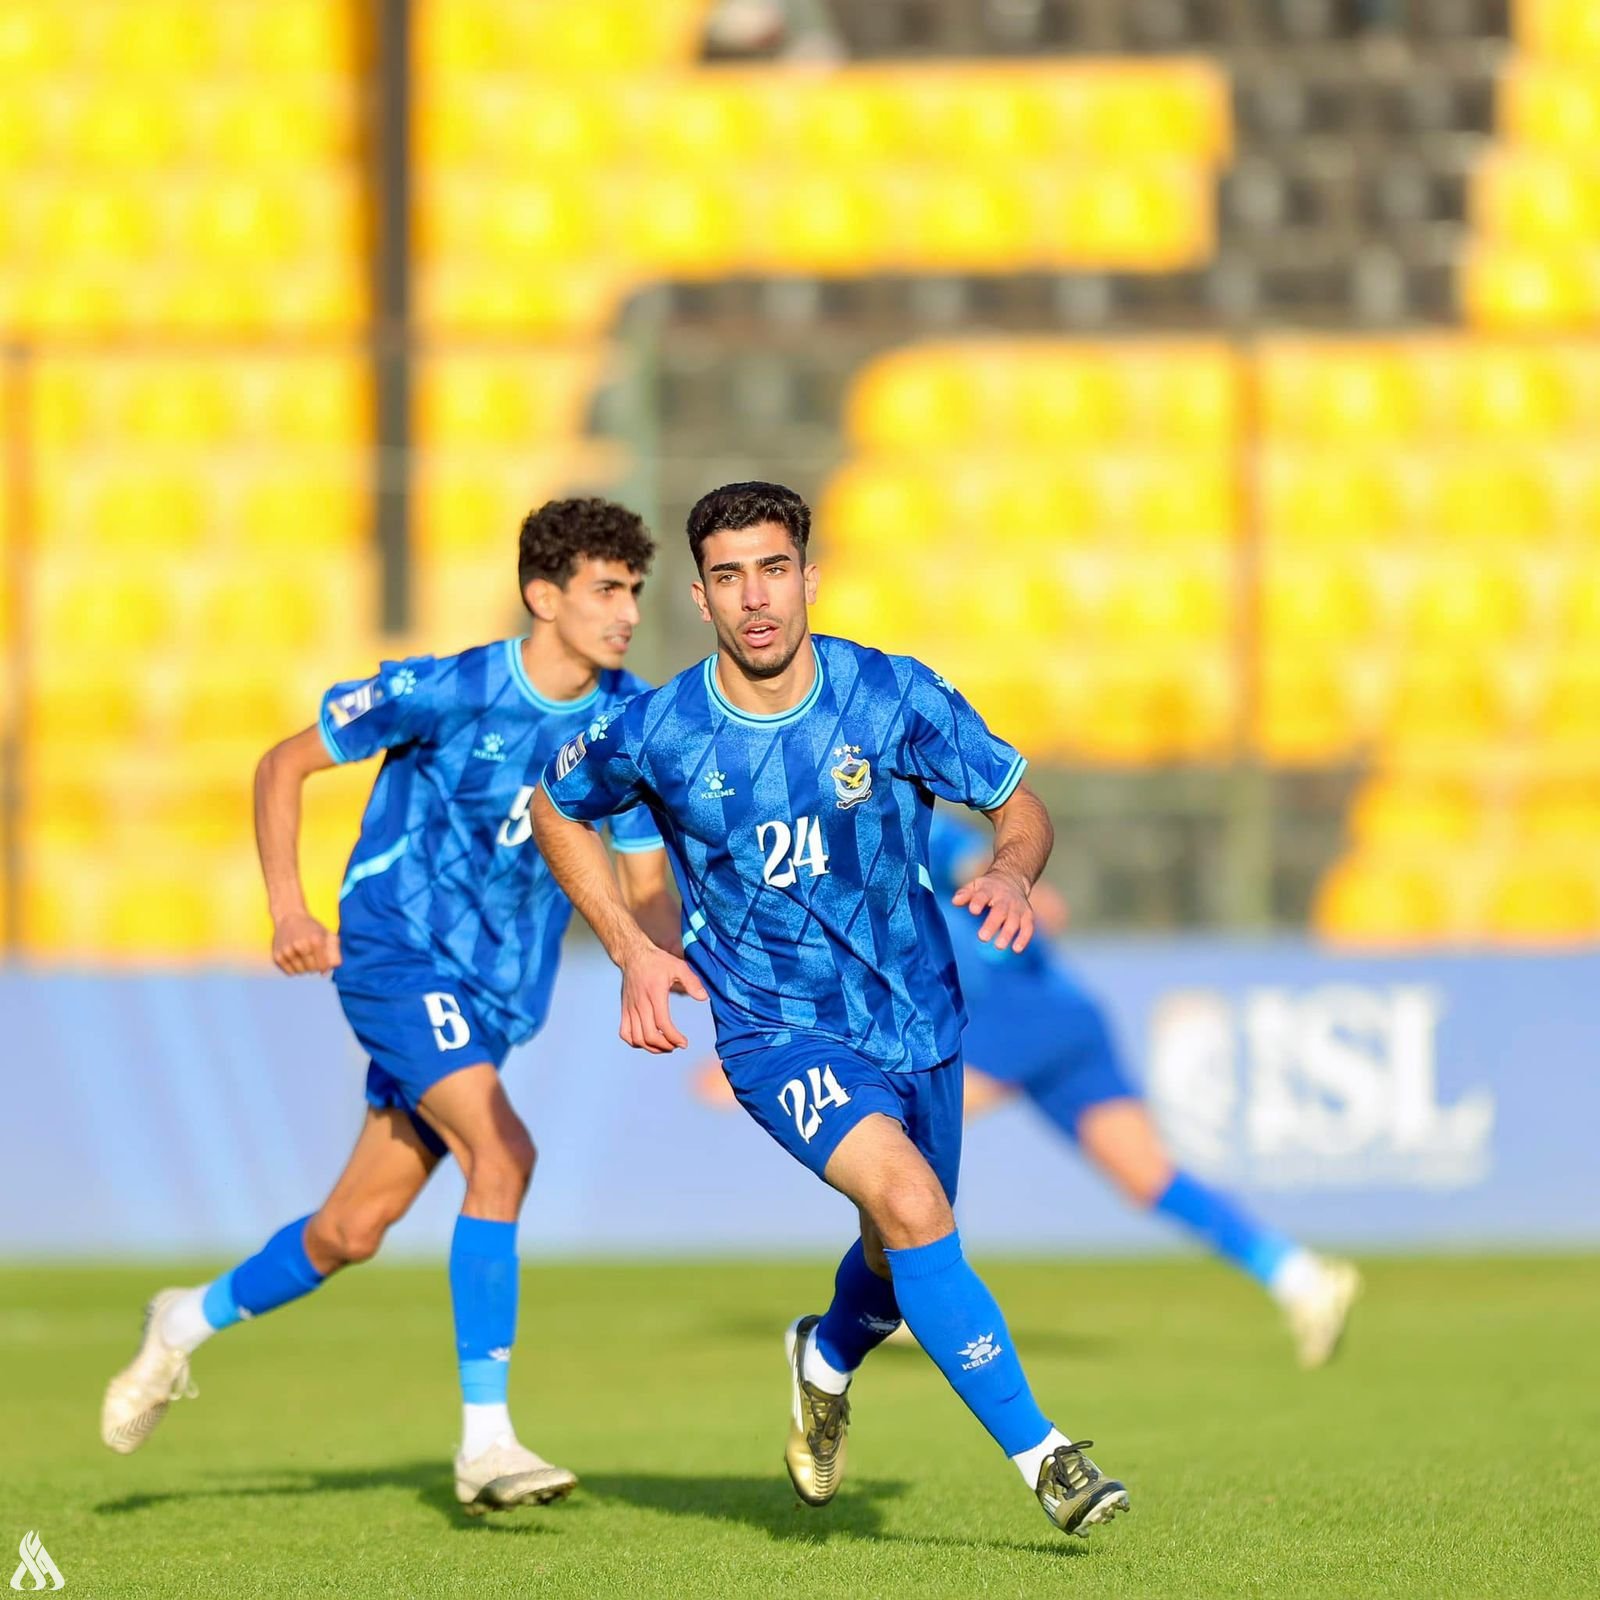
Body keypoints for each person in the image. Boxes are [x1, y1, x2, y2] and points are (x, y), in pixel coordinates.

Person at [529, 481, 1130, 1540]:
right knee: (909, 1205)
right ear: (702, 599)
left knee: (903, 1251)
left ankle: (824, 1356)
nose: (753, 597)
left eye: (772, 569)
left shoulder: (890, 695)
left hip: (918, 1016)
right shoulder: (658, 727)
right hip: (776, 1027)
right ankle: (1050, 1458)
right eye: (727, 576)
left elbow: (1015, 800)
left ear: (808, 577)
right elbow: (554, 803)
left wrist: (1015, 874)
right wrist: (631, 946)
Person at [101, 499, 676, 1516]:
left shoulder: (621, 724)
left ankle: (181, 1323)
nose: (626, 610)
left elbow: (639, 876)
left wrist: (661, 957)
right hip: (395, 955)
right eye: (605, 589)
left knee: (352, 1230)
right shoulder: (446, 689)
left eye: (633, 589)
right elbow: (284, 762)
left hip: (498, 998)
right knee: (504, 1155)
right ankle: (485, 1446)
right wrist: (289, 905)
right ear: (543, 596)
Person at [918, 809, 1361, 1365]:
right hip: (1069, 1016)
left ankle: (918, 1295)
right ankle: (1300, 1277)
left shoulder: (912, 828)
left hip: (1020, 1012)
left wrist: (1004, 888)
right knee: (1145, 1175)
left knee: (914, 1131)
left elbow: (993, 870)